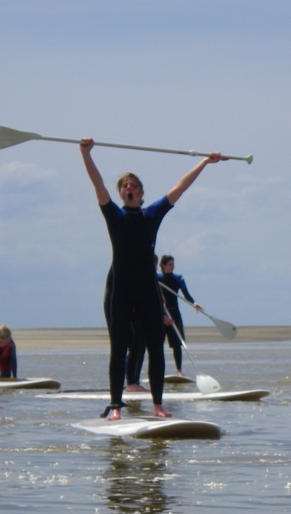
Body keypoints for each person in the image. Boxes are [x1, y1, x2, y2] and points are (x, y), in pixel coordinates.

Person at [80, 137, 225, 420]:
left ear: (142, 193)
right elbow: (97, 184)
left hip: (147, 289)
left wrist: (206, 162)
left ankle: (158, 404)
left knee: (156, 348)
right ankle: (115, 406)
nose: (129, 188)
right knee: (119, 347)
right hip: (119, 289)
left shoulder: (151, 215)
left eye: (133, 186)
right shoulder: (114, 215)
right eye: (125, 186)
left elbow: (179, 189)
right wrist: (85, 153)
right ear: (121, 194)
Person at [157, 255, 202, 377]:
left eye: (173, 264)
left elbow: (186, 295)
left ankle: (179, 371)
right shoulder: (156, 278)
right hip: (160, 314)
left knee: (177, 344)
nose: (173, 266)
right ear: (163, 265)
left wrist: (194, 303)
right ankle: (157, 370)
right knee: (157, 344)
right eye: (170, 264)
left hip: (174, 313)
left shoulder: (178, 278)